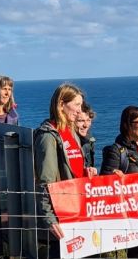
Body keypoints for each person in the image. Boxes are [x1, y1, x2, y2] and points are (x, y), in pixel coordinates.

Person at [33, 83, 97, 258]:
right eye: (76, 105)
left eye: (80, 105)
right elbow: (45, 181)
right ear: (61, 104)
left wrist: (86, 171)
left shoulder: (71, 131)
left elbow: (72, 168)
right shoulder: (48, 136)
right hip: (61, 216)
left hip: (77, 210)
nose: (79, 110)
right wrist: (49, 219)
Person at [100, 106, 138, 258]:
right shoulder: (116, 151)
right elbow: (104, 186)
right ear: (128, 125)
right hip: (132, 220)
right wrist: (113, 179)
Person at [75, 101, 96, 168]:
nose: (86, 125)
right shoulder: (64, 142)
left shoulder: (90, 140)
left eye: (88, 120)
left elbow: (90, 165)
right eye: (81, 121)